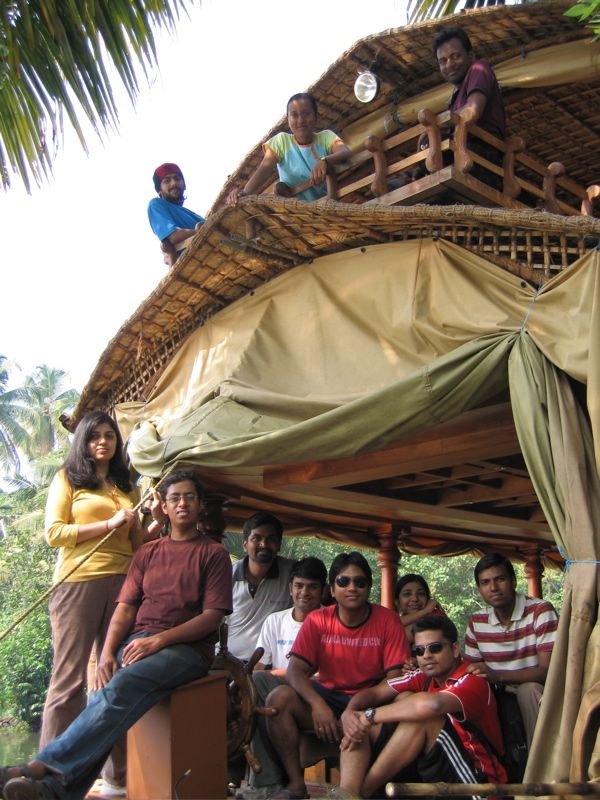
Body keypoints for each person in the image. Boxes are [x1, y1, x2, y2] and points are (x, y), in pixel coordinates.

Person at [0, 470, 232, 800]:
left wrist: (159, 641)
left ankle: (39, 766)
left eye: (189, 497)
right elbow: (124, 609)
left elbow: (212, 617)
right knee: (101, 692)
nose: (182, 503)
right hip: (138, 642)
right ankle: (54, 792)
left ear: (199, 505)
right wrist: (107, 652)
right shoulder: (147, 553)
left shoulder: (213, 554)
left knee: (120, 686)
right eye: (175, 498)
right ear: (163, 506)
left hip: (187, 649)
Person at [41, 411, 158, 797]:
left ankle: (116, 777)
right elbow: (55, 534)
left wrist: (150, 524)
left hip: (123, 585)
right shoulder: (68, 478)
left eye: (110, 435)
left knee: (115, 678)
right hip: (78, 583)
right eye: (95, 436)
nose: (103, 442)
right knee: (69, 679)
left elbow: (136, 545)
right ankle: (45, 772)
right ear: (84, 442)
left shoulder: (127, 487)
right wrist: (107, 525)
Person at [265, 552, 410, 800]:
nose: (352, 587)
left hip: (370, 701)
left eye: (360, 582)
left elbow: (395, 679)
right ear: (331, 589)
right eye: (344, 582)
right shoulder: (318, 620)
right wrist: (318, 705)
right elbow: (295, 671)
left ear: (368, 588)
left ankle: (358, 789)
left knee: (406, 698)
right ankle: (295, 784)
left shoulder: (388, 620)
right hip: (328, 698)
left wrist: (356, 709)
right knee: (278, 699)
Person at [338, 615, 507, 798]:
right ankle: (347, 793)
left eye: (435, 648)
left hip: (480, 785)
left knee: (423, 716)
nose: (426, 655)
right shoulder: (422, 676)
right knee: (364, 722)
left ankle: (362, 794)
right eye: (419, 650)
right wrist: (350, 713)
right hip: (437, 776)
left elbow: (432, 705)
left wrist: (368, 716)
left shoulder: (472, 679)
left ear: (455, 649)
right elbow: (374, 693)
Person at [242, 557, 328, 799]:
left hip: (315, 696)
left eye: (312, 586)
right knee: (251, 692)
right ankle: (251, 778)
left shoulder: (331, 621)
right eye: (299, 585)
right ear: (290, 588)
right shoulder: (275, 621)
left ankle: (266, 783)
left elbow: (321, 675)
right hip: (279, 693)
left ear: (324, 590)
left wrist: (281, 675)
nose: (305, 592)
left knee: (262, 686)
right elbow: (259, 668)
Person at [464, 552, 559, 747]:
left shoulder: (540, 611)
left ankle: (538, 763)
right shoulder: (477, 621)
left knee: (528, 690)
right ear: (479, 589)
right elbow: (472, 670)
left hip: (537, 691)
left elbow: (547, 672)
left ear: (514, 581)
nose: (493, 588)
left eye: (500, 579)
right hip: (496, 692)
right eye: (485, 582)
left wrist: (498, 676)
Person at [226, 93, 352, 205]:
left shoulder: (326, 137)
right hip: (296, 212)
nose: (300, 120)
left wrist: (324, 160)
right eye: (294, 115)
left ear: (315, 116)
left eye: (306, 114)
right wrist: (244, 192)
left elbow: (345, 152)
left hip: (327, 204)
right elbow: (264, 168)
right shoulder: (281, 142)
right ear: (288, 119)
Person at [227, 512, 295, 662]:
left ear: (279, 545)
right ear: (245, 545)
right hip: (227, 662)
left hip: (268, 666)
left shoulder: (292, 574)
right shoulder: (226, 576)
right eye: (256, 538)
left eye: (271, 539)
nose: (264, 544)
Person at [147, 163, 205, 262]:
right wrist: (203, 232)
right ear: (159, 189)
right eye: (167, 181)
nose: (173, 183)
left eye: (177, 179)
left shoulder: (193, 214)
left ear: (184, 185)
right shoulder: (156, 204)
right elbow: (173, 236)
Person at [394, 573, 445, 642]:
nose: (415, 599)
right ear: (397, 601)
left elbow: (394, 637)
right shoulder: (401, 620)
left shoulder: (436, 617)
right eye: (407, 594)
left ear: (427, 598)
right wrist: (425, 611)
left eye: (421, 594)